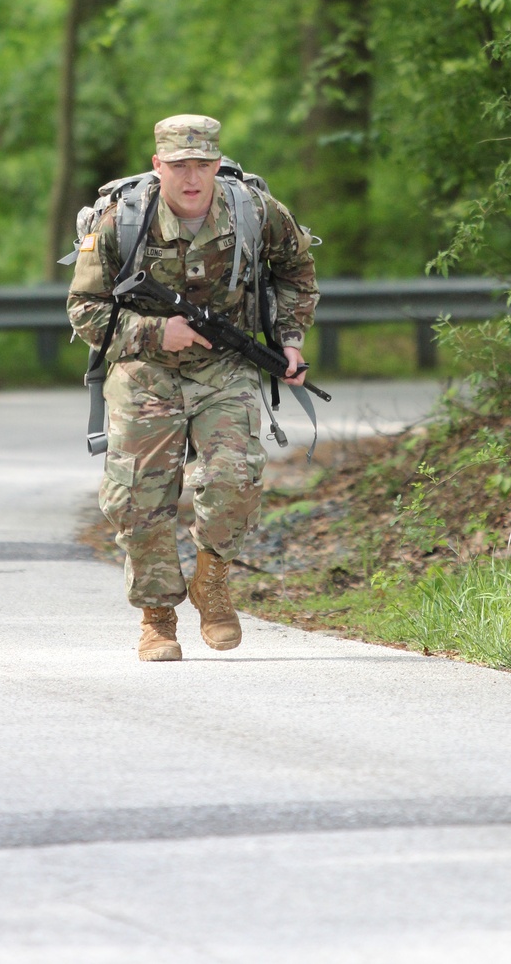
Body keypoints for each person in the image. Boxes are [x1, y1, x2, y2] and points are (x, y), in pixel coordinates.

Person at [67, 114, 319, 662]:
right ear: (159, 166)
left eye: (201, 165)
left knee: (236, 475)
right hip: (143, 367)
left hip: (223, 364)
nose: (191, 177)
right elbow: (84, 310)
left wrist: (290, 340)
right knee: (137, 497)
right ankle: (158, 618)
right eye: (179, 166)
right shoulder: (122, 220)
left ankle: (212, 578)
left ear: (216, 164)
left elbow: (297, 271)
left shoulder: (253, 212)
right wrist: (160, 331)